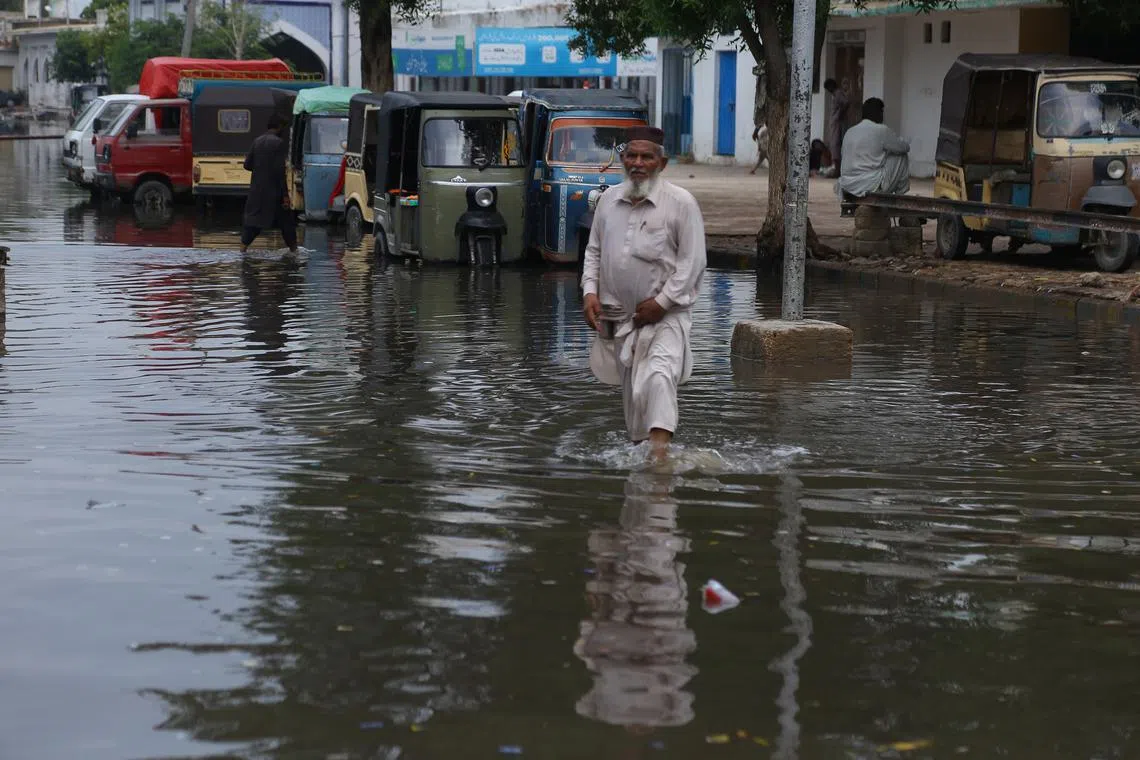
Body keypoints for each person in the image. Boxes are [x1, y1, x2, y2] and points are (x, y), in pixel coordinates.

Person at [581, 125, 707, 456]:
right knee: (635, 403)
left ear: (661, 164)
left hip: (667, 318)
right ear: (622, 160)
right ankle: (644, 466)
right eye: (631, 156)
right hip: (621, 320)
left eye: (646, 157)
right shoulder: (608, 201)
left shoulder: (681, 203)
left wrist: (663, 303)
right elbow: (593, 251)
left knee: (659, 378)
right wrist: (589, 292)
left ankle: (661, 464)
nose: (638, 163)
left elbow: (693, 263)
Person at [240, 114, 298, 254]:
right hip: (274, 193)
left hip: (257, 191)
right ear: (279, 127)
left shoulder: (257, 141)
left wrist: (260, 168)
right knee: (287, 224)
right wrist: (285, 195)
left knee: (253, 224)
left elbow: (247, 165)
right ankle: (294, 251)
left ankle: (242, 250)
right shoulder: (278, 143)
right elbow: (280, 171)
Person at [836, 97, 911, 199]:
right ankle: (900, 194)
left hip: (847, 184)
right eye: (882, 112)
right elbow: (904, 147)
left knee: (887, 154)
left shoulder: (850, 131)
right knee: (901, 155)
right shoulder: (881, 130)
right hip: (869, 184)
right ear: (878, 113)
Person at [823, 79, 850, 178]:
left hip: (838, 123)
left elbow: (846, 103)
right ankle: (836, 169)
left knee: (836, 145)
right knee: (833, 145)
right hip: (835, 123)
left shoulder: (838, 93)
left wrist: (840, 115)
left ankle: (838, 171)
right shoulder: (834, 94)